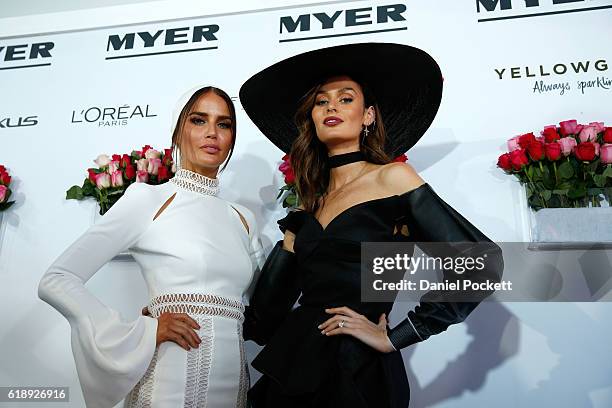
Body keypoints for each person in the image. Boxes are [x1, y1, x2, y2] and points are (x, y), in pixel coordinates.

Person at [238, 42, 504, 407]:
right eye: (320, 101)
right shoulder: (308, 205)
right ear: (311, 119)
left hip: (358, 371)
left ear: (368, 116)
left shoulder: (393, 178)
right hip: (294, 365)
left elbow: (481, 263)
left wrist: (400, 335)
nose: (331, 105)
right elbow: (262, 323)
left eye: (346, 98)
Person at [38, 86, 265, 408]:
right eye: (199, 120)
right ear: (177, 131)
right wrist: (143, 332)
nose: (212, 133)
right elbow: (57, 279)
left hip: (232, 386)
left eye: (224, 124)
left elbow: (262, 308)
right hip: (169, 382)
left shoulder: (242, 218)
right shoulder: (148, 199)